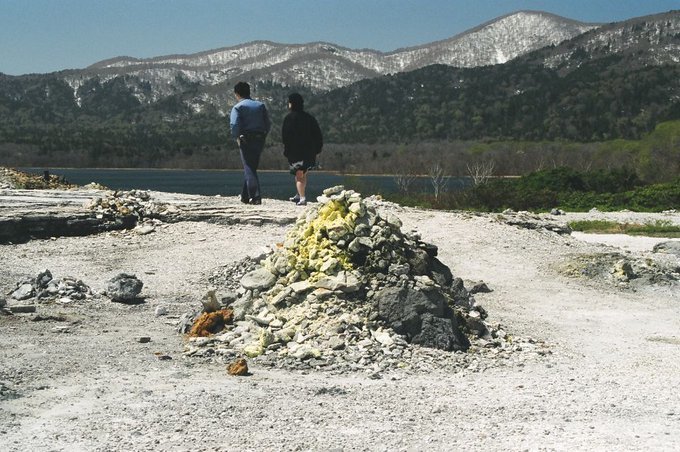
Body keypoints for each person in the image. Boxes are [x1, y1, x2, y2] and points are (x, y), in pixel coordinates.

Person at [230, 81, 271, 205]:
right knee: (252, 167)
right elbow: (268, 123)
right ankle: (245, 196)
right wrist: (264, 135)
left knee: (248, 167)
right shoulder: (260, 105)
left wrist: (237, 136)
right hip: (260, 138)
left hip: (245, 138)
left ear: (237, 94)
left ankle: (255, 196)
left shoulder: (238, 107)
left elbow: (234, 124)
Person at [281, 93, 323, 206]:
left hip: (296, 153)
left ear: (292, 104)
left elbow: (286, 137)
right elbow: (318, 135)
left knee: (299, 174)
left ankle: (302, 198)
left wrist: (287, 150)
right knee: (302, 173)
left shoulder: (289, 118)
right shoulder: (310, 118)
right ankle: (299, 194)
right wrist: (317, 150)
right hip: (309, 152)